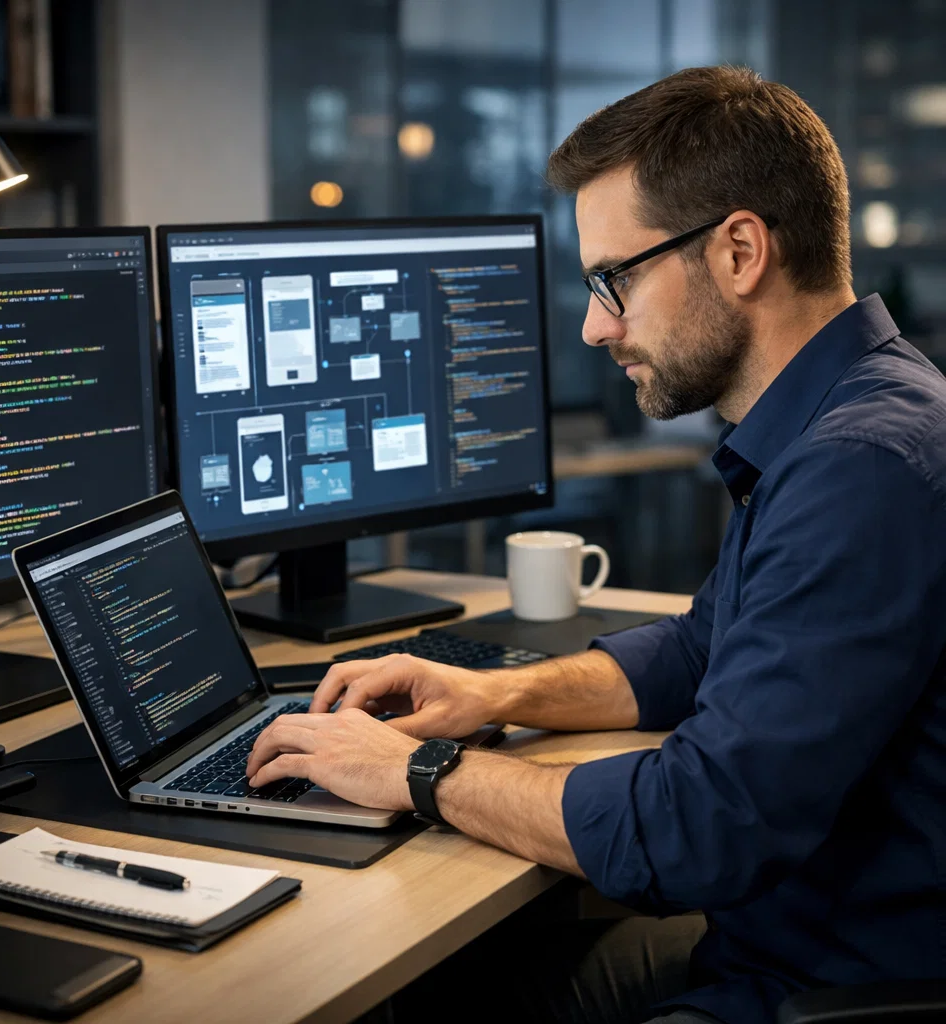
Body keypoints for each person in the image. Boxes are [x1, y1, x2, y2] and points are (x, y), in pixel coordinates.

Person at [245, 65, 946, 1023]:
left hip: (816, 986)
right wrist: (492, 694)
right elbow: (703, 649)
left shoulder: (861, 467)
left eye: (613, 279)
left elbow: (702, 827)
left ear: (740, 250)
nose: (592, 325)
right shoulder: (854, 416)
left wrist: (407, 772)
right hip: (786, 944)